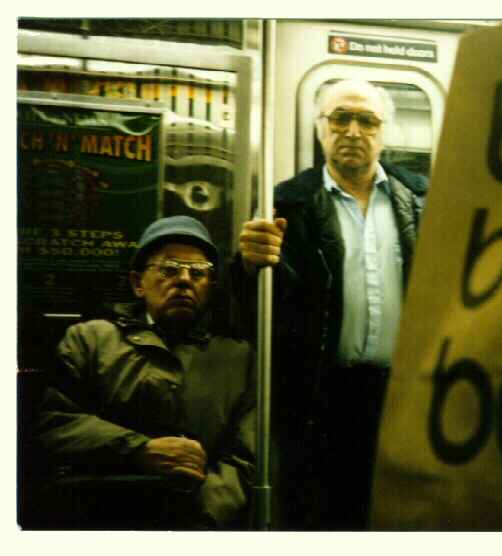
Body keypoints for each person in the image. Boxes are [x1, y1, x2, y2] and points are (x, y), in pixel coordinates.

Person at [232, 79, 428, 530]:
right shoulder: (286, 203)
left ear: (384, 131)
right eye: (340, 118)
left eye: (367, 120)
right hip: (319, 395)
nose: (353, 131)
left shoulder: (420, 200)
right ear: (321, 127)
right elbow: (257, 311)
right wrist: (247, 266)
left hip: (401, 394)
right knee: (324, 518)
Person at [33, 215, 256, 530]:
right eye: (168, 269)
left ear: (210, 287)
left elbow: (246, 456)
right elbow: (55, 424)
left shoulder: (237, 357)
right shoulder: (91, 340)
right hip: (99, 517)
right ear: (138, 283)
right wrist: (139, 449)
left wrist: (203, 517)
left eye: (198, 272)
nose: (184, 280)